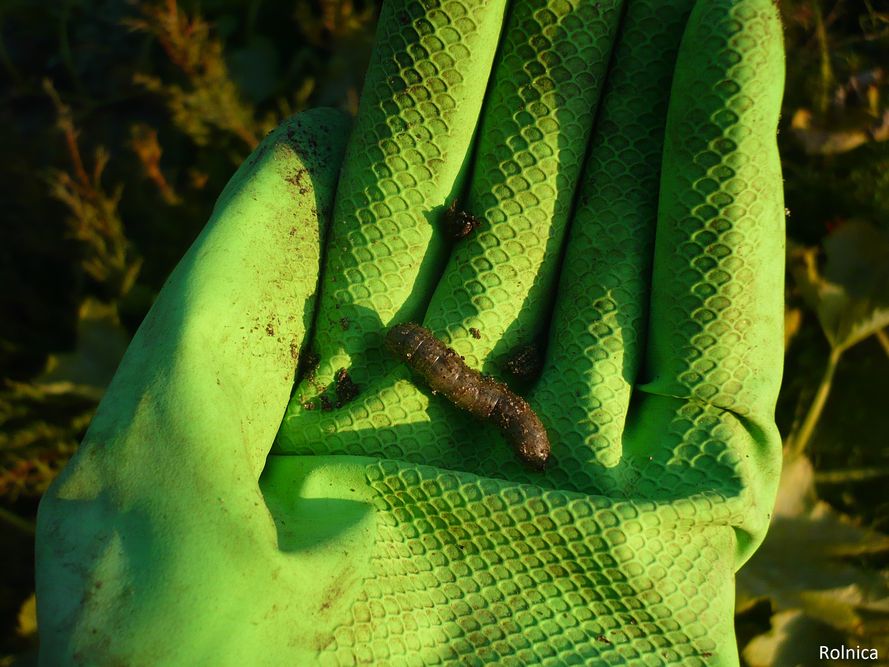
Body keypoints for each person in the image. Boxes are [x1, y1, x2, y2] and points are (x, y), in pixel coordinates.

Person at [35, 0, 785, 664]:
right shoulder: (490, 401)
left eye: (528, 435)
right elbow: (490, 402)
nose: (525, 429)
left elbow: (494, 403)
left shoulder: (499, 404)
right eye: (530, 435)